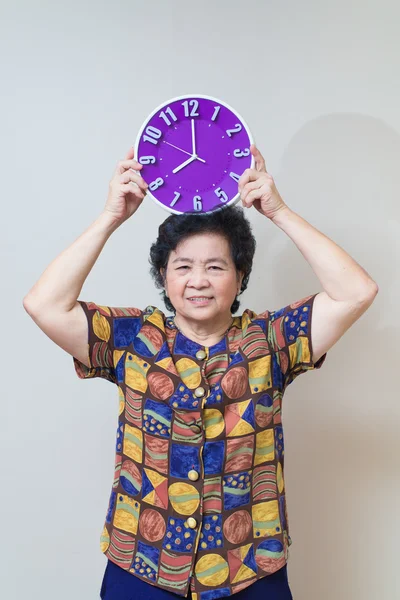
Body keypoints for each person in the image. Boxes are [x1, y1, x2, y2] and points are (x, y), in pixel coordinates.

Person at [23, 144, 378, 600]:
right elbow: (44, 304)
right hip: (141, 565)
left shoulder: (271, 340)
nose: (198, 280)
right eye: (183, 267)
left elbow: (356, 292)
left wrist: (279, 211)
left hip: (252, 567)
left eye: (215, 267)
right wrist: (112, 215)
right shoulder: (134, 338)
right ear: (164, 277)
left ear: (240, 275)